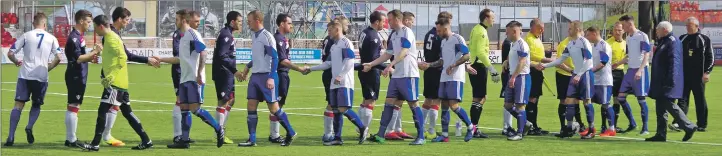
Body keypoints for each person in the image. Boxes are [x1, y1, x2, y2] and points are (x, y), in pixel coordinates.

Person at [78, 15, 152, 151]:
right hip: (120, 83)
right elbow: (112, 58)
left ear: (101, 26)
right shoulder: (109, 37)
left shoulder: (111, 38)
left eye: (95, 28)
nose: (94, 30)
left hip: (115, 85)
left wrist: (111, 76)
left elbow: (123, 57)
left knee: (102, 111)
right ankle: (146, 140)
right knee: (128, 113)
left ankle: (95, 144)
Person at [362, 9, 426, 145]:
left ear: (397, 19)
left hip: (409, 74)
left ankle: (421, 136)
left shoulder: (406, 32)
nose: (387, 23)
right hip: (397, 76)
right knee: (389, 103)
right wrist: (371, 64)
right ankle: (381, 134)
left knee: (413, 104)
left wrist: (390, 65)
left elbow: (404, 51)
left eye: (389, 20)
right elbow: (387, 53)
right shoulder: (394, 34)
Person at [100, 7, 161, 147]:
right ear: (119, 19)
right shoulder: (111, 34)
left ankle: (99, 141)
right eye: (127, 20)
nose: (128, 22)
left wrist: (148, 60)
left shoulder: (113, 34)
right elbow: (121, 57)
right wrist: (147, 60)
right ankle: (146, 139)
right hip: (116, 80)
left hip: (116, 81)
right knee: (124, 110)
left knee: (107, 110)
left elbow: (125, 56)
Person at [165, 10, 225, 149]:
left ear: (183, 20)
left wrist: (199, 73)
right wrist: (161, 59)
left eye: (177, 19)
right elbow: (180, 59)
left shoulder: (193, 34)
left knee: (195, 109)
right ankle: (184, 141)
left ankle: (218, 128)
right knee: (184, 110)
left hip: (193, 79)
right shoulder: (183, 37)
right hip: (184, 79)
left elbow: (203, 52)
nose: (176, 21)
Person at [237, 10, 297, 147]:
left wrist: (271, 77)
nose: (248, 23)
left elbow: (275, 57)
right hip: (255, 77)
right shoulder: (254, 36)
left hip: (266, 76)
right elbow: (257, 57)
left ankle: (291, 132)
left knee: (274, 109)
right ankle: (252, 140)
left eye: (249, 20)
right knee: (251, 106)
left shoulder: (267, 36)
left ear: (257, 20)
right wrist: (247, 68)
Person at [4, 12, 62, 147]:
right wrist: (48, 68)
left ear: (33, 23)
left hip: (25, 75)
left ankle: (11, 137)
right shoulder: (51, 38)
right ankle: (29, 126)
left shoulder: (26, 35)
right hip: (41, 77)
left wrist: (16, 62)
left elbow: (10, 53)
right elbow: (59, 57)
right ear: (45, 24)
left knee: (18, 105)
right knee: (36, 104)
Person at [307, 20, 369, 146]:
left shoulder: (346, 43)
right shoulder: (334, 45)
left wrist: (340, 75)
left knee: (343, 108)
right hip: (334, 82)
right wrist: (310, 69)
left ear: (337, 29)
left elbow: (350, 60)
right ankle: (337, 138)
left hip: (344, 82)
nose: (328, 33)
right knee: (335, 110)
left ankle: (362, 128)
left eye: (330, 30)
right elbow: (328, 63)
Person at [537, 21, 596, 139]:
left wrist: (579, 74)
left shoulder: (584, 42)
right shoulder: (570, 44)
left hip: (585, 74)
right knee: (569, 101)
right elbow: (560, 60)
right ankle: (569, 128)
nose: (568, 31)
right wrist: (545, 66)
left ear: (577, 29)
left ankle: (591, 129)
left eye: (570, 29)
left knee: (586, 102)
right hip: (575, 74)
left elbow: (588, 60)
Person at [422, 17, 475, 143]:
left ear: (446, 28)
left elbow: (467, 55)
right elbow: (442, 60)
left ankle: (471, 127)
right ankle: (445, 135)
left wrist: (454, 65)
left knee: (453, 105)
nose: (438, 33)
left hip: (455, 77)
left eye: (439, 31)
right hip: (444, 77)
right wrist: (429, 65)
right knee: (444, 106)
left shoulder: (457, 38)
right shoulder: (443, 42)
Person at [645, 21, 697, 142]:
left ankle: (688, 126)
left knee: (669, 104)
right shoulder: (665, 41)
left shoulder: (672, 42)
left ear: (665, 30)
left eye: (658, 30)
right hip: (661, 81)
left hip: (667, 81)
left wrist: (671, 80)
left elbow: (674, 62)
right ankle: (661, 133)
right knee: (660, 107)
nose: (656, 32)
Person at [268, 13, 307, 143]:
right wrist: (299, 69)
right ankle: (275, 135)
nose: (291, 26)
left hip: (282, 75)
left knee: (278, 104)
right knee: (276, 105)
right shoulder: (278, 39)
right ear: (282, 24)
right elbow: (283, 60)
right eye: (289, 23)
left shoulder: (282, 38)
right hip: (279, 75)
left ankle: (274, 135)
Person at [611, 15, 650, 135]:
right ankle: (632, 123)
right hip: (629, 71)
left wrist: (640, 70)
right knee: (621, 97)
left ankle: (645, 128)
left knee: (641, 99)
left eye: (623, 25)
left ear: (629, 24)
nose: (622, 28)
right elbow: (629, 56)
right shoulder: (628, 37)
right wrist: (617, 63)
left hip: (640, 70)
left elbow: (646, 55)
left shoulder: (642, 36)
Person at [63, 10, 96, 147]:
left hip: (79, 74)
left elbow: (82, 56)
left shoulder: (79, 36)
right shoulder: (74, 38)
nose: (90, 25)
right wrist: (95, 52)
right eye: (88, 22)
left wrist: (90, 55)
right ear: (81, 21)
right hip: (76, 75)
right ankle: (72, 140)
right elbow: (78, 58)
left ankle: (69, 138)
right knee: (74, 105)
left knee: (74, 105)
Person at [382, 11, 417, 140]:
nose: (411, 23)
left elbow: (406, 52)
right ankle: (390, 130)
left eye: (412, 21)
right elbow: (397, 52)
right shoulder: (398, 33)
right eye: (409, 20)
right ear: (403, 20)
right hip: (400, 73)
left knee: (399, 102)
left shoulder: (405, 33)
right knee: (399, 102)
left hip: (403, 71)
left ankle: (397, 129)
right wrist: (390, 65)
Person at [211, 11, 244, 144]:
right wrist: (235, 71)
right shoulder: (226, 35)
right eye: (239, 21)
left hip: (227, 73)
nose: (241, 24)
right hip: (223, 73)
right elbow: (222, 56)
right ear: (232, 22)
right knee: (223, 101)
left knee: (231, 100)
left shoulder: (227, 33)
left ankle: (221, 130)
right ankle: (219, 133)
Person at [674, 17, 712, 132]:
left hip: (698, 76)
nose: (687, 27)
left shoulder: (703, 39)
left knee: (699, 99)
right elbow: (677, 56)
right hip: (684, 76)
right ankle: (679, 122)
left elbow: (710, 57)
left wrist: (707, 72)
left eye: (689, 25)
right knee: (682, 99)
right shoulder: (682, 38)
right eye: (686, 25)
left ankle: (702, 124)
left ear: (696, 25)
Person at [467, 8, 500, 138]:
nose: (494, 19)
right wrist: (491, 69)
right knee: (479, 98)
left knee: (479, 97)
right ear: (486, 18)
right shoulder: (481, 32)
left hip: (475, 65)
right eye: (492, 17)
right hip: (478, 66)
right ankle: (473, 128)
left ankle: (473, 128)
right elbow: (481, 52)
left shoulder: (477, 29)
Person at [355, 11, 388, 138]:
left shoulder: (364, 32)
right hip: (370, 71)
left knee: (365, 100)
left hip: (363, 69)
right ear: (377, 22)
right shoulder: (374, 36)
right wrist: (386, 68)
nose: (384, 24)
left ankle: (360, 128)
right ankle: (364, 130)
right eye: (383, 21)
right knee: (371, 101)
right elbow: (374, 59)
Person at [420, 11, 452, 138]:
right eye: (449, 21)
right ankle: (432, 130)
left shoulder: (428, 34)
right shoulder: (441, 36)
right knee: (437, 100)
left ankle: (421, 128)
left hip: (428, 70)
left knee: (428, 99)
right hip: (437, 70)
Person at [501, 21, 532, 141]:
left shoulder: (522, 44)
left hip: (521, 77)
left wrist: (513, 77)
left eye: (507, 32)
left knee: (520, 105)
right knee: (508, 105)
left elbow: (522, 62)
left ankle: (520, 133)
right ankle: (525, 123)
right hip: (512, 76)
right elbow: (512, 56)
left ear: (514, 32)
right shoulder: (513, 44)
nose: (506, 34)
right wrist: (506, 61)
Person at [585, 26, 617, 137]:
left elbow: (603, 63)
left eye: (588, 35)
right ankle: (591, 128)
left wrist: (590, 71)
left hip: (604, 80)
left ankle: (612, 129)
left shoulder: (604, 46)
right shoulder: (592, 46)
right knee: (588, 101)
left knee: (606, 104)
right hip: (594, 80)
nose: (587, 37)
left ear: (594, 33)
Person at [524, 18, 553, 135]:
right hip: (532, 71)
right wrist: (551, 60)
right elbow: (533, 56)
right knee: (532, 99)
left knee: (535, 99)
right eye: (540, 28)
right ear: (533, 27)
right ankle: (529, 126)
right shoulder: (529, 39)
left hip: (538, 71)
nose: (542, 30)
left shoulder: (536, 39)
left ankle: (534, 125)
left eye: (543, 28)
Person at [554, 35, 586, 134]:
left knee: (576, 101)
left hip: (576, 75)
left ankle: (580, 125)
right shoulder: (564, 44)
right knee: (564, 100)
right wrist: (570, 70)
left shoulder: (582, 44)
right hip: (564, 75)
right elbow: (559, 62)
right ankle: (563, 127)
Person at [606, 22, 631, 133]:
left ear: (623, 31)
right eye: (615, 30)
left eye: (619, 30)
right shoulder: (607, 43)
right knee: (605, 100)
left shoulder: (625, 43)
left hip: (620, 73)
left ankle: (614, 125)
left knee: (617, 99)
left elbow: (628, 57)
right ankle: (604, 125)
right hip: (608, 73)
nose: (617, 32)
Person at [499, 33, 516, 137]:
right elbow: (508, 59)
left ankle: (508, 126)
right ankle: (506, 127)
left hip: (509, 74)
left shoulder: (509, 42)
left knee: (510, 101)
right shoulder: (508, 43)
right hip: (508, 74)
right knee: (509, 101)